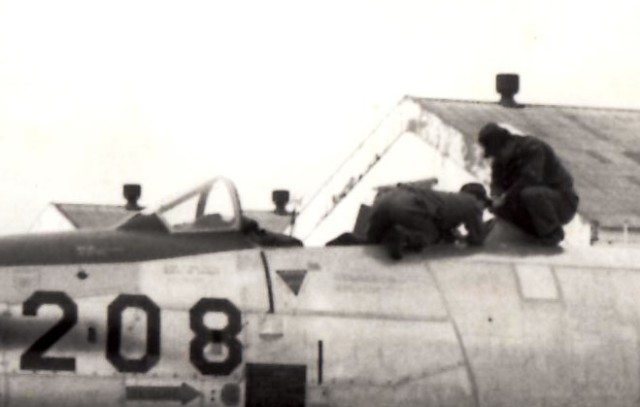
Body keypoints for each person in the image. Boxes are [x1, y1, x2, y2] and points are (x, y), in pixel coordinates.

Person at [477, 122, 579, 245]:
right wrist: (495, 197)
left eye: (498, 154)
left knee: (530, 194)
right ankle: (533, 232)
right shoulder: (500, 160)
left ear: (509, 144)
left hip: (562, 202)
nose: (497, 158)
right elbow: (496, 183)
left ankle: (552, 233)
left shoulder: (533, 148)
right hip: (531, 204)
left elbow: (530, 179)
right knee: (501, 208)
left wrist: (505, 198)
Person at [366, 182, 492, 259]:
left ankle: (366, 238)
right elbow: (478, 240)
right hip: (406, 205)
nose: (483, 209)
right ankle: (403, 237)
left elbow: (440, 222)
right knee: (430, 235)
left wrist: (453, 235)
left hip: (384, 200)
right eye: (484, 205)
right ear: (479, 199)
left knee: (371, 243)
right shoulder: (473, 204)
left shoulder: (446, 200)